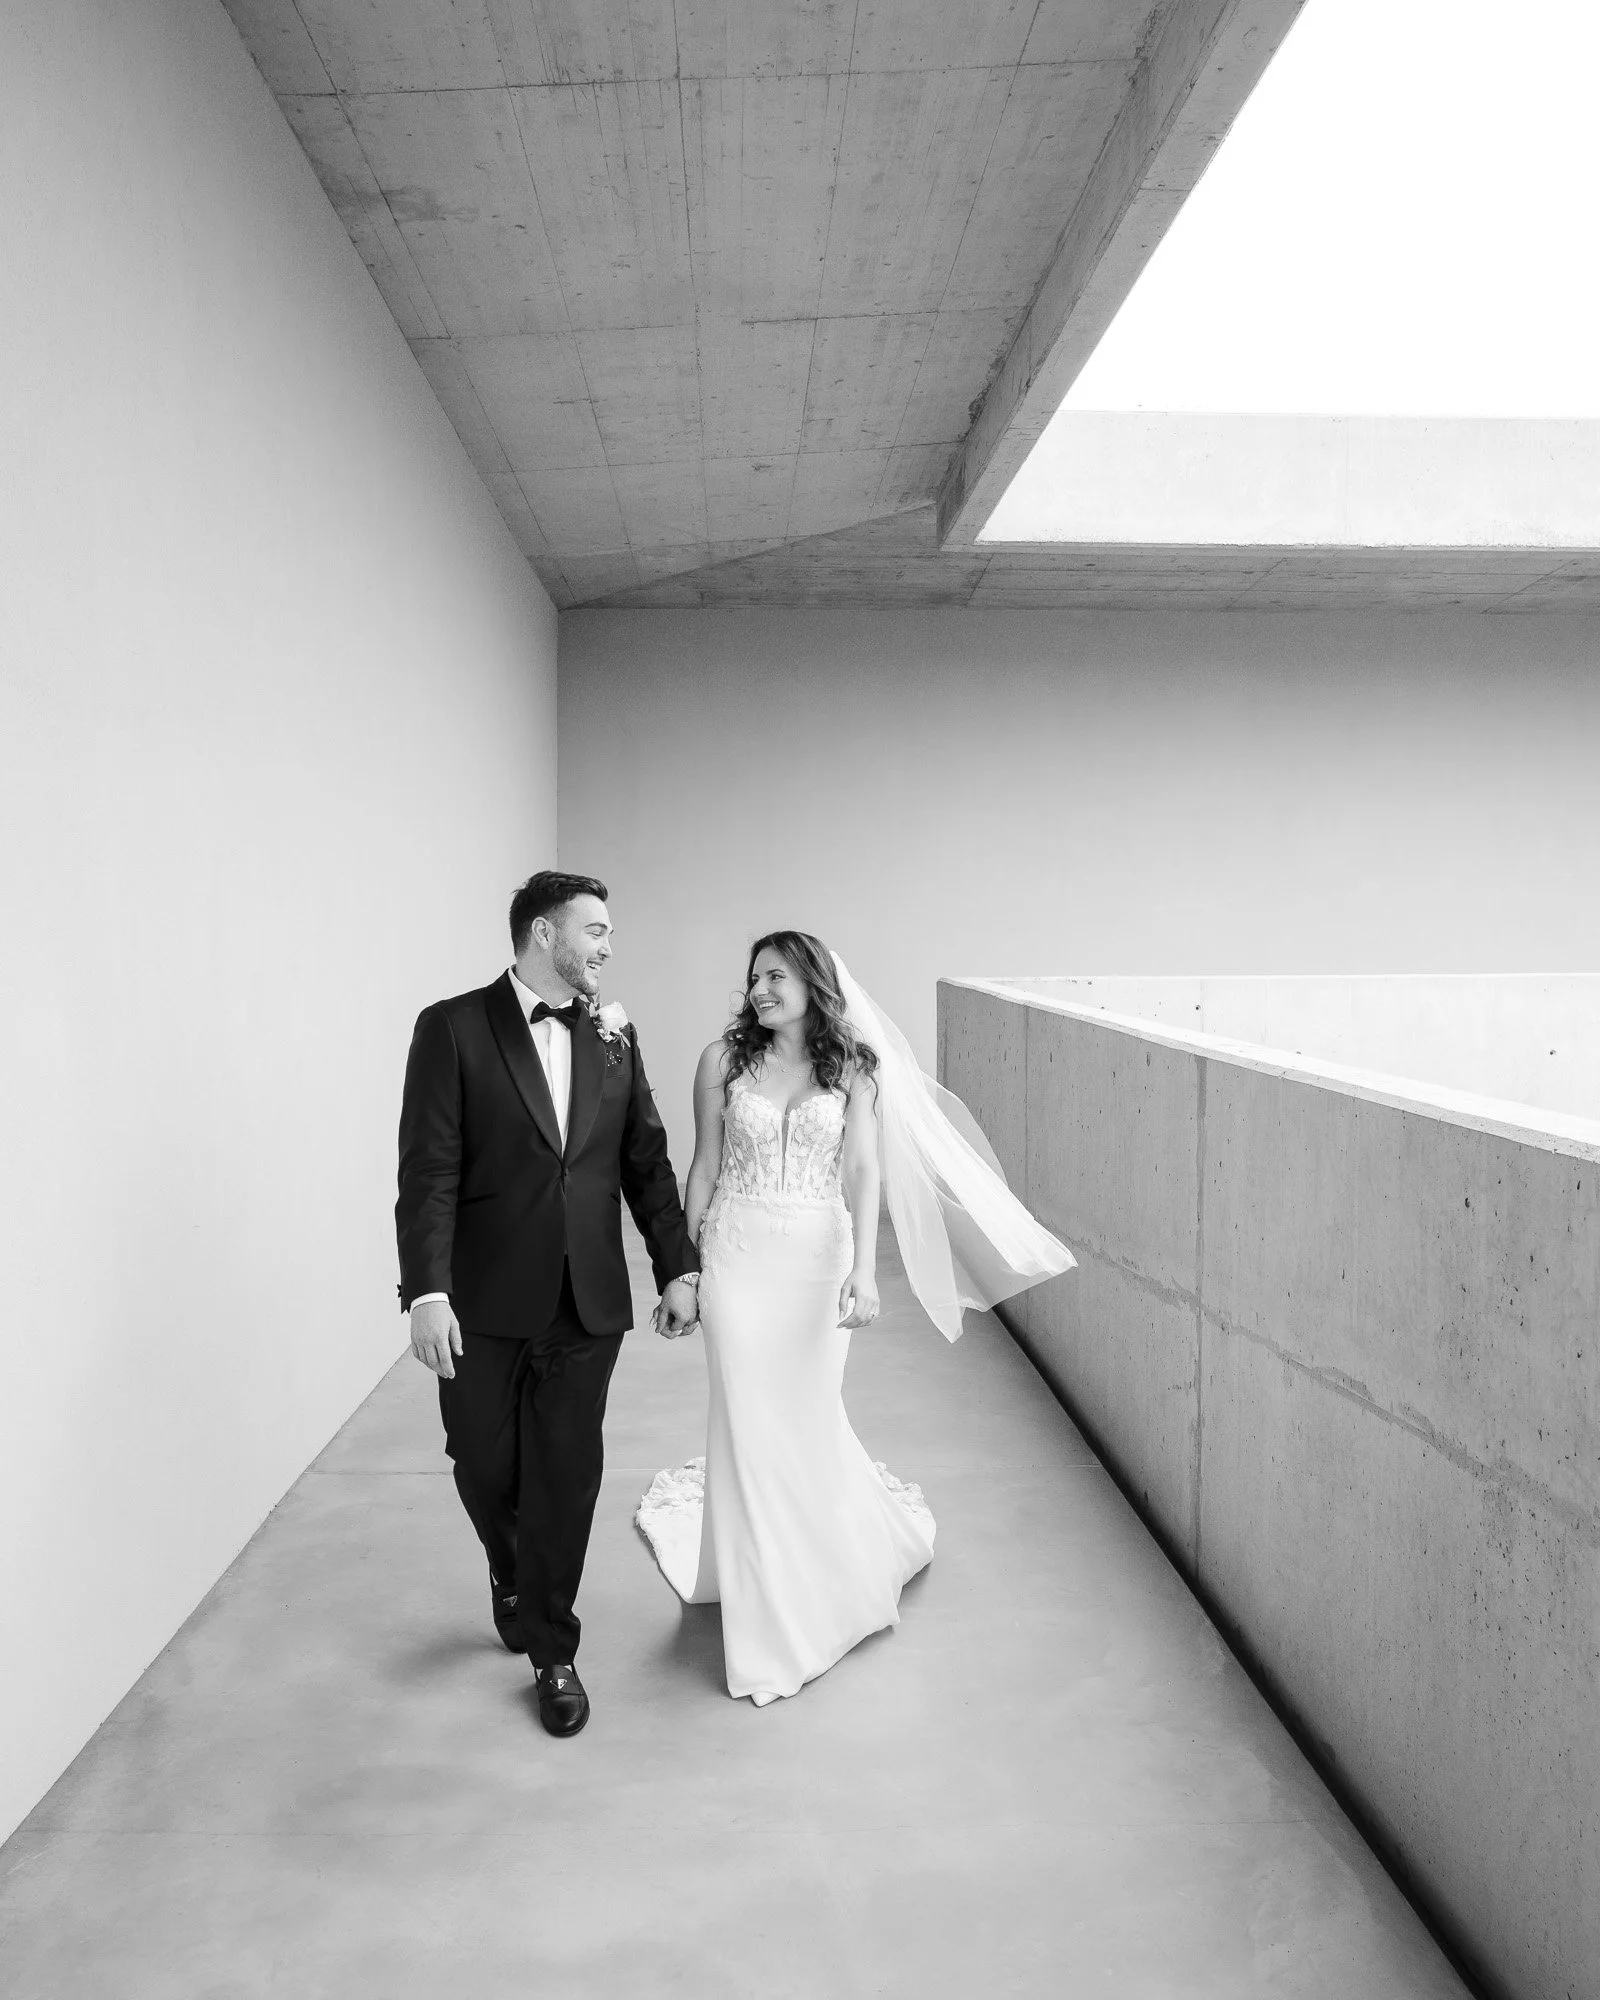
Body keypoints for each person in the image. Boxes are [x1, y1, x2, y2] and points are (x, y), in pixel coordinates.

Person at [636, 931, 1074, 1706]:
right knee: (745, 1416)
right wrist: (685, 1268)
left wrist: (866, 1272)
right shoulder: (721, 1061)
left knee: (803, 1415)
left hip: (816, 1256)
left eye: (776, 975)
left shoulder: (856, 1069)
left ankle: (820, 1572)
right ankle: (769, 1609)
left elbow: (864, 1170)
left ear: (812, 982)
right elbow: (700, 1164)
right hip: (736, 1251)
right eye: (754, 978)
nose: (760, 989)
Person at [397, 871, 699, 1738]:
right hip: (482, 1301)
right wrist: (428, 1289)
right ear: (541, 934)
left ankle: (553, 1649)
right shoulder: (451, 1028)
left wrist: (676, 1266)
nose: (607, 947)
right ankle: (510, 1566)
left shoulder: (614, 1036)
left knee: (566, 1473)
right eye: (594, 930)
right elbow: (429, 1172)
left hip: (587, 1301)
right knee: (482, 1459)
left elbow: (645, 1161)